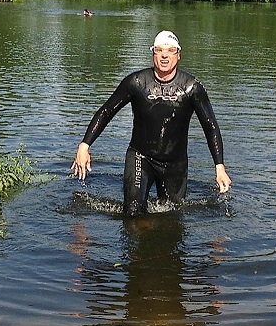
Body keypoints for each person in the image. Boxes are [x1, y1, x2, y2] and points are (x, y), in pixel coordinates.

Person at [71, 30, 232, 216]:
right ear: (153, 54)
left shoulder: (191, 87)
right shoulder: (137, 82)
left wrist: (219, 166)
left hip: (175, 163)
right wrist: (85, 145)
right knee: (132, 212)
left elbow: (210, 125)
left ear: (178, 55)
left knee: (172, 216)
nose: (164, 55)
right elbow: (107, 111)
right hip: (141, 157)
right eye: (159, 50)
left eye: (170, 50)